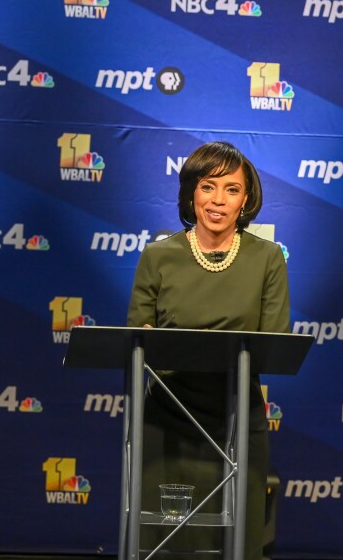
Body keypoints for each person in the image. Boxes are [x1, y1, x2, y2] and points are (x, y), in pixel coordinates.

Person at [127, 141, 290, 559]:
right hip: (169, 418)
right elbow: (137, 338)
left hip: (238, 418)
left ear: (246, 198)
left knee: (235, 539)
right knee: (167, 539)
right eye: (208, 186)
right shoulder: (158, 256)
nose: (218, 200)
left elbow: (274, 342)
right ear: (191, 193)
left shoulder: (268, 258)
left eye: (231, 189)